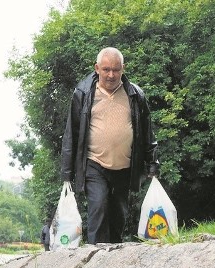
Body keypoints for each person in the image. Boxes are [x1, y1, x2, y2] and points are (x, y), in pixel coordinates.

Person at [60, 47, 159, 244]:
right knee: (99, 206)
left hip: (124, 167)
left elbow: (147, 132)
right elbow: (72, 133)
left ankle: (113, 257)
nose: (111, 75)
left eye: (116, 69)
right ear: (96, 68)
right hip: (94, 163)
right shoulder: (83, 93)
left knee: (119, 216)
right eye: (106, 69)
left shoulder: (135, 95)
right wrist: (67, 174)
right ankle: (95, 256)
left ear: (123, 68)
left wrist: (153, 164)